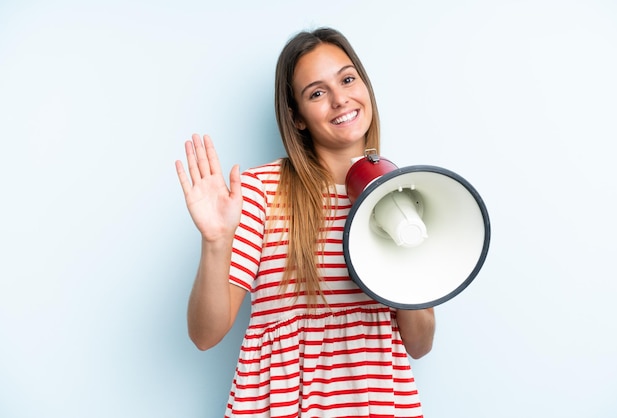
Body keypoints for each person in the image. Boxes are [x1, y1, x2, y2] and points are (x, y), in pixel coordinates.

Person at [175, 27, 435, 418]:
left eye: (347, 79)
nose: (340, 99)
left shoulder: (402, 195)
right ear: (296, 118)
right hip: (282, 405)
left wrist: (405, 248)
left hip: (377, 400)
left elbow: (419, 343)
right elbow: (205, 334)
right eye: (317, 92)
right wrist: (216, 240)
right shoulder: (261, 191)